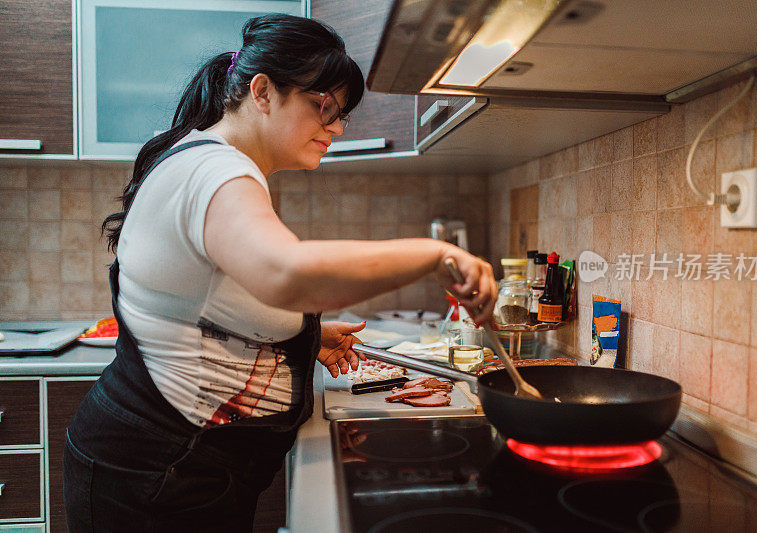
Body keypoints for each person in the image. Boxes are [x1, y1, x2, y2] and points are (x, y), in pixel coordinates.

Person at [63, 13, 496, 532]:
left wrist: (304, 337)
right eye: (324, 107)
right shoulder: (215, 169)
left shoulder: (213, 162)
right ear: (262, 91)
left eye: (342, 115)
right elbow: (284, 274)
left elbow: (210, 305)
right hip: (154, 477)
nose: (335, 127)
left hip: (175, 472)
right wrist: (434, 255)